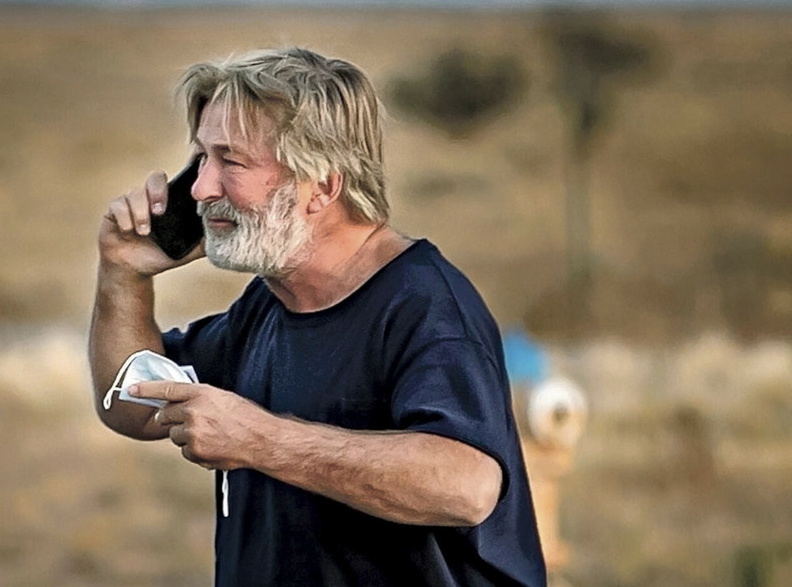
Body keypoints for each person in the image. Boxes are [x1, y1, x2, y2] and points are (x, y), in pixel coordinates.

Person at [87, 46, 547, 586]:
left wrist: (260, 440)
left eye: (230, 162)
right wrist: (122, 274)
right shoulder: (268, 304)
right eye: (202, 158)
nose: (200, 189)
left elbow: (465, 485)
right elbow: (132, 405)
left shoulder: (425, 307)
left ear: (323, 186)